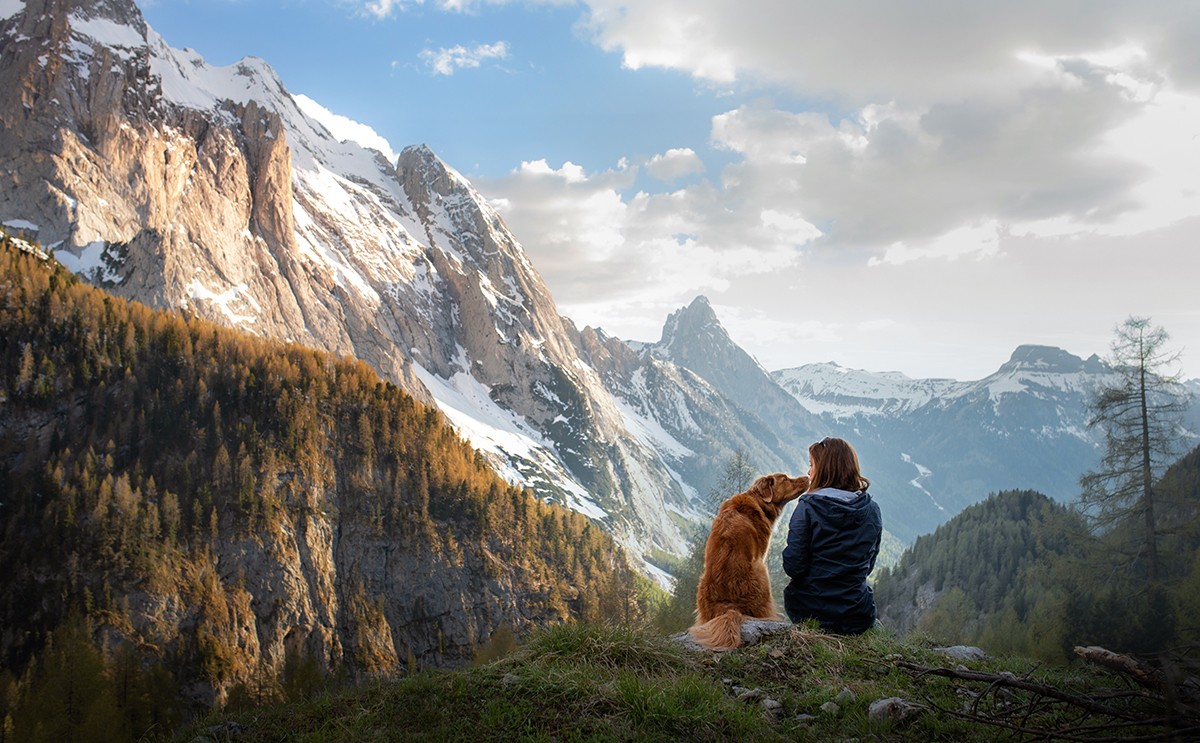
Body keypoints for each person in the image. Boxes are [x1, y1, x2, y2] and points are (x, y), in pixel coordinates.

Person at [782, 437, 882, 634]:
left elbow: (793, 566)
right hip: (857, 614)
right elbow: (868, 566)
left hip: (809, 611)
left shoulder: (808, 508)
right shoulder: (872, 510)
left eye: (812, 465)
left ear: (826, 469)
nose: (809, 472)